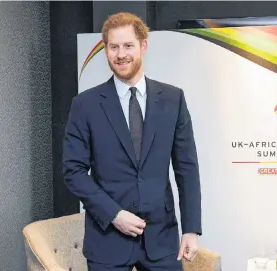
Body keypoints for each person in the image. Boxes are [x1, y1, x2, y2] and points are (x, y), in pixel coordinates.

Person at [62, 12, 202, 271]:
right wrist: (113, 214)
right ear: (106, 51)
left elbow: (187, 169)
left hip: (161, 240)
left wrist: (191, 228)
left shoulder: (173, 99)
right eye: (113, 47)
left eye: (128, 45)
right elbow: (73, 172)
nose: (121, 54)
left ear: (143, 46)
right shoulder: (85, 105)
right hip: (107, 240)